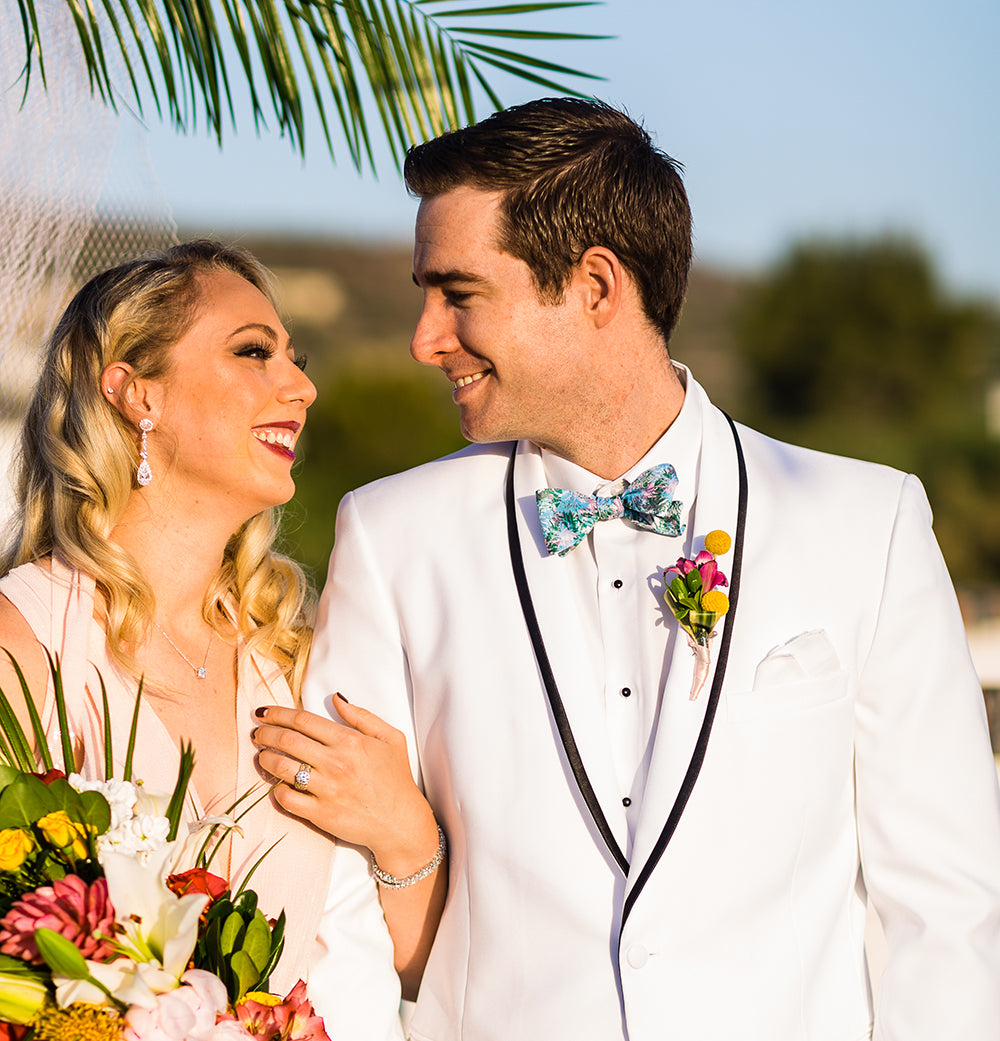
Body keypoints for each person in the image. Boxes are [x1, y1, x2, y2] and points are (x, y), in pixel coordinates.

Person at [275, 99, 1000, 1039]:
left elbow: (946, 910)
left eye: (458, 293)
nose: (424, 337)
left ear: (595, 286)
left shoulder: (870, 525)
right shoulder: (389, 536)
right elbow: (335, 900)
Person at [0, 241, 442, 1040]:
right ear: (136, 392)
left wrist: (405, 832)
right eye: (253, 352)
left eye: (295, 358)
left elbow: (420, 976)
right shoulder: (24, 645)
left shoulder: (299, 659)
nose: (301, 386)